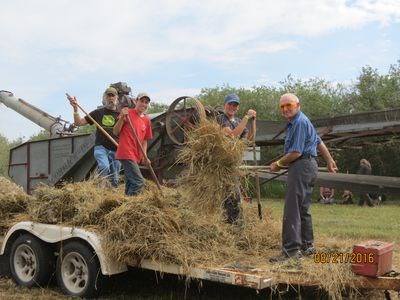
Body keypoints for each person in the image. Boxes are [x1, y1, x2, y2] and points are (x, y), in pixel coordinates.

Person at [268, 93, 337, 263]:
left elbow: (296, 152)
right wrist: (329, 160)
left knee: (292, 208)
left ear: (298, 105)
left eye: (289, 105)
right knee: (303, 207)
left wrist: (278, 163)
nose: (285, 109)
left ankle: (291, 252)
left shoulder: (298, 122)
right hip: (309, 166)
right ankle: (307, 245)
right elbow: (318, 141)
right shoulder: (302, 121)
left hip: (301, 165)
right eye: (282, 106)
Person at [67, 87, 121, 187]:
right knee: (104, 167)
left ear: (116, 98)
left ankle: (111, 196)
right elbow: (78, 123)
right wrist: (75, 109)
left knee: (115, 178)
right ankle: (99, 189)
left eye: (113, 95)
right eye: (108, 96)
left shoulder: (120, 115)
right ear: (105, 98)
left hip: (116, 149)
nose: (110, 98)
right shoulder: (97, 113)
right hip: (101, 147)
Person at [216, 93, 257, 223]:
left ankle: (231, 222)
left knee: (233, 194)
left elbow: (249, 140)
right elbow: (232, 135)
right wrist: (247, 117)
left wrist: (253, 121)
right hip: (223, 163)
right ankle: (233, 222)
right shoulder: (220, 119)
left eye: (235, 105)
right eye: (230, 104)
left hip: (234, 162)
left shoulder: (239, 121)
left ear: (238, 108)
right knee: (232, 193)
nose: (232, 107)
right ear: (225, 105)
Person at [113, 93, 153, 196]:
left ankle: (125, 202)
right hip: (126, 152)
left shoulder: (147, 120)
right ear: (136, 101)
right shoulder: (127, 113)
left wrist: (145, 156)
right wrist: (122, 118)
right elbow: (115, 132)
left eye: (146, 102)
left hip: (136, 155)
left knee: (130, 183)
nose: (143, 104)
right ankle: (129, 206)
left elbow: (144, 140)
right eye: (141, 101)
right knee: (139, 182)